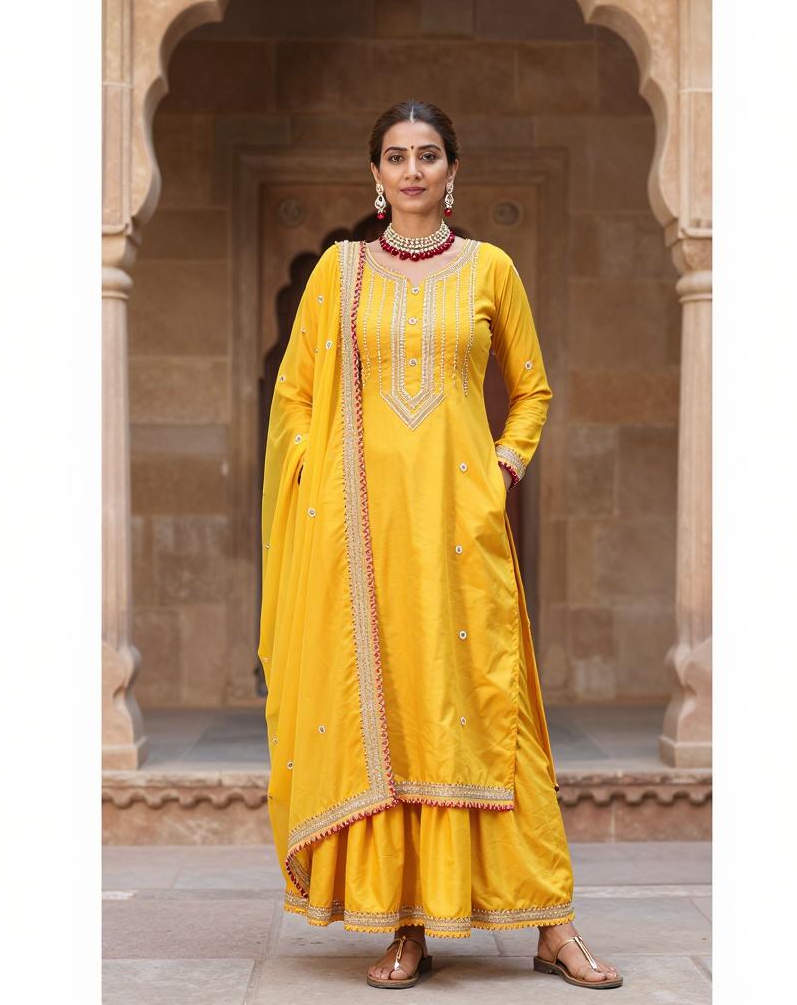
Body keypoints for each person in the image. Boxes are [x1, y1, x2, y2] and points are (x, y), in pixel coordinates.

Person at [258, 99, 621, 990]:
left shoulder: (490, 268)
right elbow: (297, 396)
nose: (412, 170)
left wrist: (500, 470)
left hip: (462, 531)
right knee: (392, 711)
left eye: (427, 155)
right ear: (375, 175)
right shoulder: (340, 273)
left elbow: (531, 391)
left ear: (452, 171)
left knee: (492, 707)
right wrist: (319, 488)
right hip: (363, 534)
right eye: (396, 156)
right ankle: (407, 921)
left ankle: (552, 924)